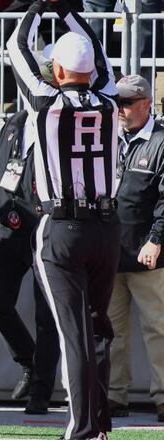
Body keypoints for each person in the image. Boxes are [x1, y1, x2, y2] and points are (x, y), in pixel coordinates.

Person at [8, 1, 120, 438]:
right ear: (91, 71)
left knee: (74, 331)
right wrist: (68, 12)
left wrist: (40, 8)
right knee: (97, 327)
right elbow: (95, 49)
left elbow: (16, 46)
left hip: (62, 227)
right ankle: (100, 423)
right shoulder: (109, 100)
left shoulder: (46, 104)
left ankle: (81, 428)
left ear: (56, 70)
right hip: (106, 228)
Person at [0, 108, 60, 415]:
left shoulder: (60, 121)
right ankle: (28, 362)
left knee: (46, 315)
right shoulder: (14, 122)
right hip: (9, 229)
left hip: (46, 228)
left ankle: (40, 392)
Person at [108, 74, 164, 423]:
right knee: (110, 330)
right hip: (110, 253)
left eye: (127, 103)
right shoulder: (107, 137)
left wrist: (157, 240)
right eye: (117, 103)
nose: (120, 110)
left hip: (147, 253)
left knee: (157, 328)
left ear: (147, 103)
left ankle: (162, 397)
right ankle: (114, 396)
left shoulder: (160, 142)